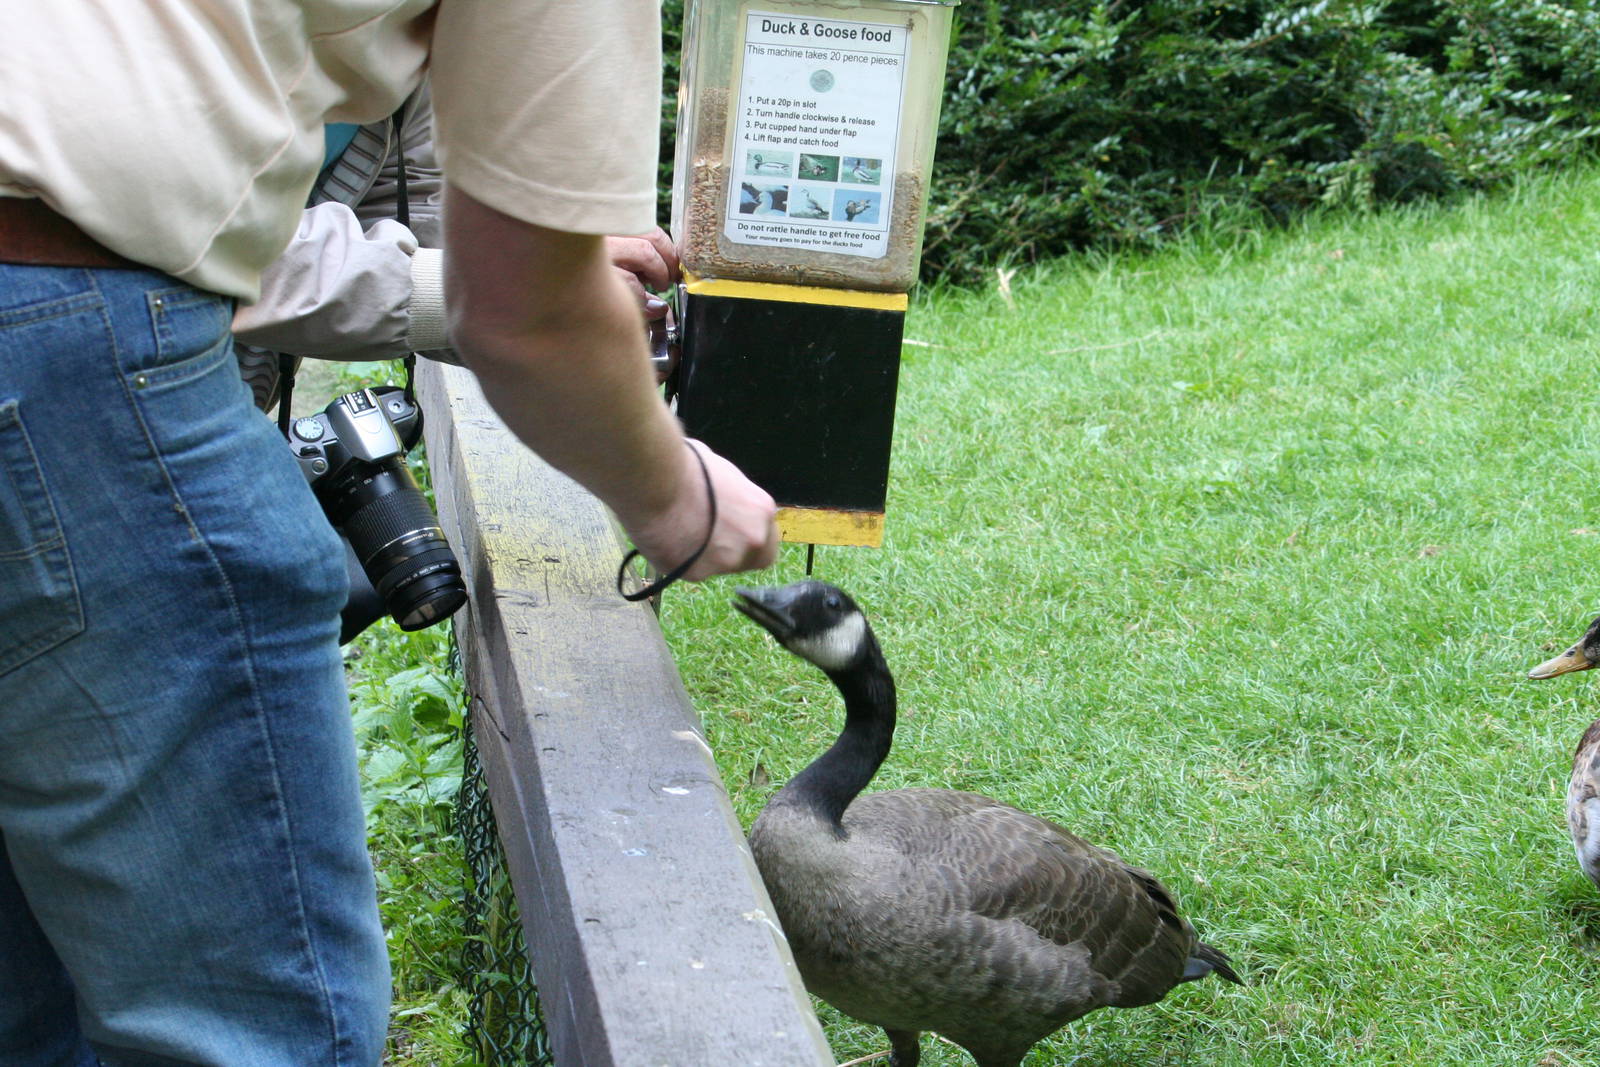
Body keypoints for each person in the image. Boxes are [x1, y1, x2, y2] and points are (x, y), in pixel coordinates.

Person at [0, 5, 778, 1065]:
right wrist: (678, 501)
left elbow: (126, 174)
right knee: (254, 1032)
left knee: (25, 987)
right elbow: (527, 307)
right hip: (64, 367)